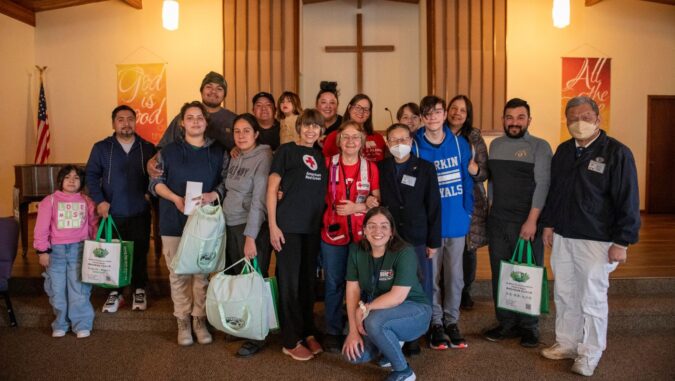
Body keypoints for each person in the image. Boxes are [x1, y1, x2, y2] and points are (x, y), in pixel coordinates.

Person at [540, 96, 640, 377]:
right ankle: (567, 343)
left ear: (598, 118)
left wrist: (622, 241)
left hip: (597, 240)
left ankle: (590, 352)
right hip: (563, 236)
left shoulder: (617, 153)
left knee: (592, 298)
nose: (579, 122)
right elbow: (555, 192)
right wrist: (548, 224)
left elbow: (628, 199)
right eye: (573, 117)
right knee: (565, 292)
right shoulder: (563, 151)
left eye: (585, 116)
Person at [150, 101, 229, 346]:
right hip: (174, 220)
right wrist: (175, 199)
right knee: (178, 273)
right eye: (190, 117)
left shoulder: (219, 152)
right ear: (181, 123)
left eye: (200, 118)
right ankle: (182, 319)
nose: (195, 121)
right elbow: (154, 184)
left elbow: (227, 182)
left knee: (202, 274)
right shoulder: (168, 151)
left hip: (205, 223)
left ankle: (199, 318)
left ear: (206, 123)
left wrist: (212, 195)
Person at [483, 98, 552, 348]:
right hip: (498, 221)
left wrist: (533, 221)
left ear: (529, 120)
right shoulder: (496, 145)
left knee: (527, 273)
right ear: (503, 119)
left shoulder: (540, 147)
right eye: (509, 117)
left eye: (520, 117)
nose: (514, 122)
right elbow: (492, 182)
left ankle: (529, 327)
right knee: (500, 273)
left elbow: (543, 184)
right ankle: (506, 323)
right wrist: (490, 209)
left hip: (527, 223)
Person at [342, 207, 432, 381]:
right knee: (353, 355)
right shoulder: (356, 250)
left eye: (384, 226)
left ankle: (404, 371)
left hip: (414, 309)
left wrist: (365, 308)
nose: (378, 231)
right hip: (378, 311)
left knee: (374, 321)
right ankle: (389, 342)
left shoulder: (404, 252)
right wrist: (353, 331)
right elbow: (352, 289)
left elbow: (398, 297)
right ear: (365, 230)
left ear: (391, 231)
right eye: (372, 226)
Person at [412, 95, 473, 350]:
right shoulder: (415, 145)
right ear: (423, 117)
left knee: (455, 276)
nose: (433, 117)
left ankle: (452, 321)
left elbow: (468, 179)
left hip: (457, 222)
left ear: (444, 113)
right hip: (431, 226)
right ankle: (435, 322)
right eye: (428, 113)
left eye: (437, 112)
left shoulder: (460, 144)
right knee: (431, 277)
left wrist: (467, 211)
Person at [267, 109, 328, 361]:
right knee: (289, 285)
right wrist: (273, 225)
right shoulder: (285, 151)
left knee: (307, 284)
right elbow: (271, 189)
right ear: (299, 127)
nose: (311, 131)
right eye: (307, 126)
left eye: (316, 127)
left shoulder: (321, 156)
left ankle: (307, 331)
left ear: (320, 131)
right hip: (288, 228)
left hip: (312, 229)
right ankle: (290, 339)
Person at [376, 123, 441, 355]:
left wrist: (433, 242)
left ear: (412, 142)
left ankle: (414, 337)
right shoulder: (380, 167)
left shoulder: (425, 168)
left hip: (417, 237)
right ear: (387, 143)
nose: (399, 144)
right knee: (390, 285)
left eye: (404, 139)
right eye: (394, 140)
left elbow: (434, 206)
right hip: (389, 238)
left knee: (418, 286)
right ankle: (392, 333)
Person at [85, 105, 156, 313]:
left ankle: (139, 288)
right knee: (113, 252)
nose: (126, 123)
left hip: (139, 211)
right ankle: (115, 292)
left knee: (140, 251)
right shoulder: (101, 148)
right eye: (121, 119)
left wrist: (149, 194)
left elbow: (158, 175)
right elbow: (90, 176)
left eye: (130, 119)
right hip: (112, 212)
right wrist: (99, 201)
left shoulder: (147, 147)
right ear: (113, 123)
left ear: (136, 121)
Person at [321, 120, 381, 353]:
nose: (350, 141)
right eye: (345, 137)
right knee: (334, 283)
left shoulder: (371, 167)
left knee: (363, 284)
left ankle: (360, 327)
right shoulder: (328, 164)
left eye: (355, 137)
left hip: (361, 237)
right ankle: (333, 330)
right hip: (332, 235)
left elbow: (376, 201)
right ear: (338, 141)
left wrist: (358, 207)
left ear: (362, 141)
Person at [222, 113, 273, 357]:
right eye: (237, 131)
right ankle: (243, 325)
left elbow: (259, 199)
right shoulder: (236, 155)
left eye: (246, 131)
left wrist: (251, 236)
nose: (241, 135)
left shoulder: (263, 156)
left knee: (253, 282)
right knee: (237, 280)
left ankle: (258, 335)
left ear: (256, 134)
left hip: (249, 228)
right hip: (230, 225)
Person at [34, 165, 98, 339]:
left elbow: (93, 225)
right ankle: (61, 323)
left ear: (81, 182)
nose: (71, 180)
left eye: (76, 178)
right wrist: (42, 251)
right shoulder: (50, 201)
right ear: (61, 180)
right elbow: (41, 228)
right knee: (57, 289)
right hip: (56, 252)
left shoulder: (86, 201)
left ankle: (82, 324)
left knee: (79, 289)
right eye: (68, 177)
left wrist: (95, 245)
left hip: (79, 250)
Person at [445, 95, 489, 310]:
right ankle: (447, 289)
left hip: (470, 198)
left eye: (462, 110)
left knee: (467, 248)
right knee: (446, 246)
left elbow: (485, 172)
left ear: (467, 114)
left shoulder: (474, 137)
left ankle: (465, 291)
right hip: (445, 197)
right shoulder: (439, 133)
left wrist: (476, 171)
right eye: (454, 108)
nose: (457, 113)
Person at [156, 71, 237, 151]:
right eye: (209, 87)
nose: (213, 91)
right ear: (201, 91)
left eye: (219, 89)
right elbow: (164, 147)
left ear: (224, 95)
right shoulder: (185, 117)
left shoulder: (233, 120)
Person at [323, 94, 387, 163]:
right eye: (357, 107)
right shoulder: (333, 137)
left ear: (369, 114)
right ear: (349, 108)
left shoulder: (378, 138)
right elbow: (326, 164)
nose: (361, 111)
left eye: (366, 109)